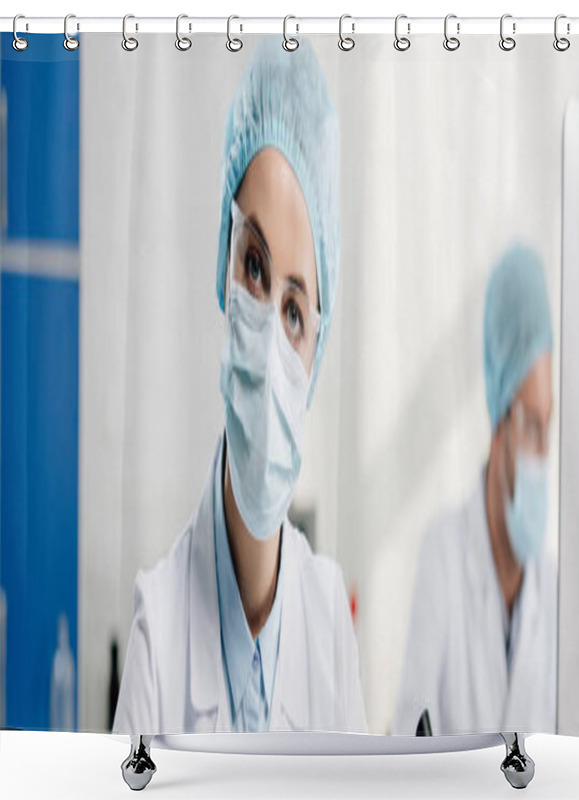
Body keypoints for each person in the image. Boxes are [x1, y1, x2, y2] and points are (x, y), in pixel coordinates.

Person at [113, 38, 367, 735]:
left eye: (294, 309)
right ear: (221, 271)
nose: (268, 324)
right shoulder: (158, 627)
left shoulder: (329, 625)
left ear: (317, 348)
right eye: (254, 265)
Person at [393, 244, 557, 736]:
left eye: (548, 427)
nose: (541, 451)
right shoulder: (443, 553)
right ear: (498, 420)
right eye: (530, 425)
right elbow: (410, 742)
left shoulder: (554, 590)